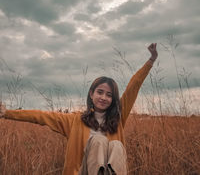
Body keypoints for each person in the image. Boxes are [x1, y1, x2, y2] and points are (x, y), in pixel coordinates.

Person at [0, 43, 158, 175]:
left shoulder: (118, 118)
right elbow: (40, 116)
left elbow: (133, 87)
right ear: (91, 94)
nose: (103, 97)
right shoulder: (74, 120)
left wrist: (151, 60)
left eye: (109, 95)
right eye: (100, 92)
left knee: (116, 145)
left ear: (113, 99)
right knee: (98, 140)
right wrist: (7, 113)